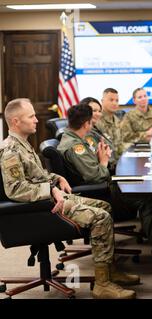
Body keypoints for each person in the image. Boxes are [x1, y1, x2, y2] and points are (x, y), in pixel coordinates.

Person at [0, 98, 139, 299]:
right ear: (15, 121)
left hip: (50, 199)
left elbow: (34, 176)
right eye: (31, 116)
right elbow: (16, 189)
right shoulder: (10, 150)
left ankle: (109, 270)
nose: (37, 120)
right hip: (41, 208)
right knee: (101, 218)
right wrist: (50, 190)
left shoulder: (23, 144)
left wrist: (56, 177)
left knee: (104, 207)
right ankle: (102, 284)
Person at [58, 103, 152, 272]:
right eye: (92, 122)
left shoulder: (75, 139)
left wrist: (103, 161)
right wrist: (103, 161)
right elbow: (96, 176)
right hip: (98, 194)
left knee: (146, 189)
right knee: (150, 199)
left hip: (101, 187)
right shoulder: (74, 146)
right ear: (86, 124)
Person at [80, 97, 117, 171]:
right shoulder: (86, 133)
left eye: (99, 111)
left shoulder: (97, 128)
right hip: (107, 171)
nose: (98, 114)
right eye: (94, 111)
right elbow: (98, 158)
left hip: (114, 165)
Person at [96, 88, 127, 156]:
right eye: (111, 100)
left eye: (117, 100)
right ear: (102, 101)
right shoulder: (96, 121)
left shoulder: (118, 120)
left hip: (119, 160)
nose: (114, 103)